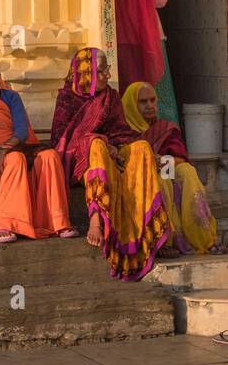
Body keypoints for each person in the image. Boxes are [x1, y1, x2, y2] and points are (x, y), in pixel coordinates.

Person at [51, 46, 173, 281]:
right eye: (103, 69)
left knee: (141, 149)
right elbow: (61, 140)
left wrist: (116, 147)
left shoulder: (112, 97)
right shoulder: (67, 98)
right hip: (80, 160)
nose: (108, 74)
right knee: (95, 143)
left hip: (111, 154)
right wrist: (102, 143)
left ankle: (152, 233)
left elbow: (122, 132)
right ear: (87, 72)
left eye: (107, 68)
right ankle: (96, 218)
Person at [0, 57, 78, 244]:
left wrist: (3, 150)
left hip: (14, 148)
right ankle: (4, 223)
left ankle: (58, 222)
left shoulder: (11, 97)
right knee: (15, 159)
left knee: (50, 156)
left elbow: (21, 131)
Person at [123, 81, 225, 255]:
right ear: (132, 105)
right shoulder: (123, 130)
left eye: (152, 100)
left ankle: (204, 238)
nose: (150, 105)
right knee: (162, 181)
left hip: (163, 167)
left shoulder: (165, 128)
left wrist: (161, 160)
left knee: (187, 170)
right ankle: (164, 242)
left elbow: (180, 158)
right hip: (138, 177)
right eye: (143, 101)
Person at [114, 0, 179, 125]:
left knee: (129, 86)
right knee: (158, 87)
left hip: (121, 35)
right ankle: (166, 131)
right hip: (149, 33)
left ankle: (131, 128)